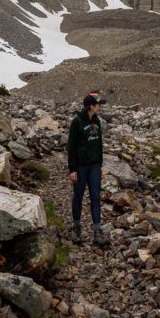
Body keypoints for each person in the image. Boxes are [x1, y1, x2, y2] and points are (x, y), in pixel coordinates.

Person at [67, 91, 105, 246]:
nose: (100, 107)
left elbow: (99, 143)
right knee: (79, 196)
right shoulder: (77, 122)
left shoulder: (97, 121)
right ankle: (76, 227)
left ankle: (97, 230)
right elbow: (71, 147)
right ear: (91, 106)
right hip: (81, 167)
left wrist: (100, 164)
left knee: (96, 197)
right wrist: (72, 169)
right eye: (98, 105)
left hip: (95, 166)